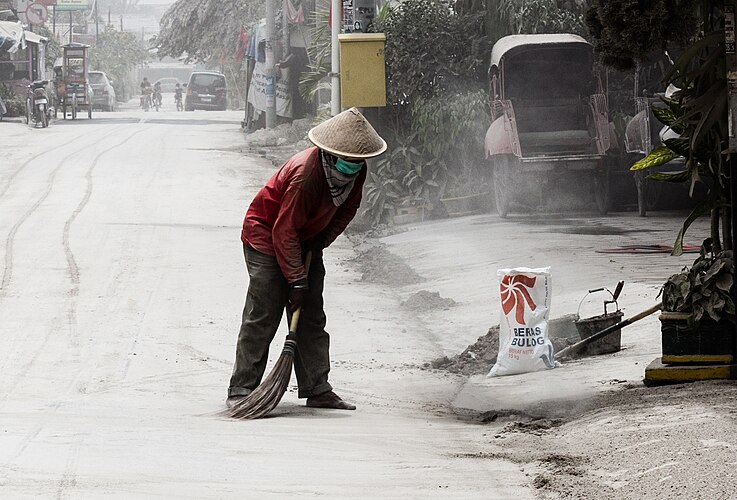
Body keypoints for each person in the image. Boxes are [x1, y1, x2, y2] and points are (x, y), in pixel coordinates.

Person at [227, 107, 387, 410]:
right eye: (348, 160)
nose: (353, 166)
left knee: (311, 313)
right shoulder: (306, 174)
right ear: (331, 152)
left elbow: (346, 211)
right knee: (265, 309)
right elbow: (283, 231)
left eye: (358, 161)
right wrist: (296, 280)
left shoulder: (357, 171)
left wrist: (321, 240)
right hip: (266, 237)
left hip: (306, 239)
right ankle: (242, 387)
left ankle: (317, 387)